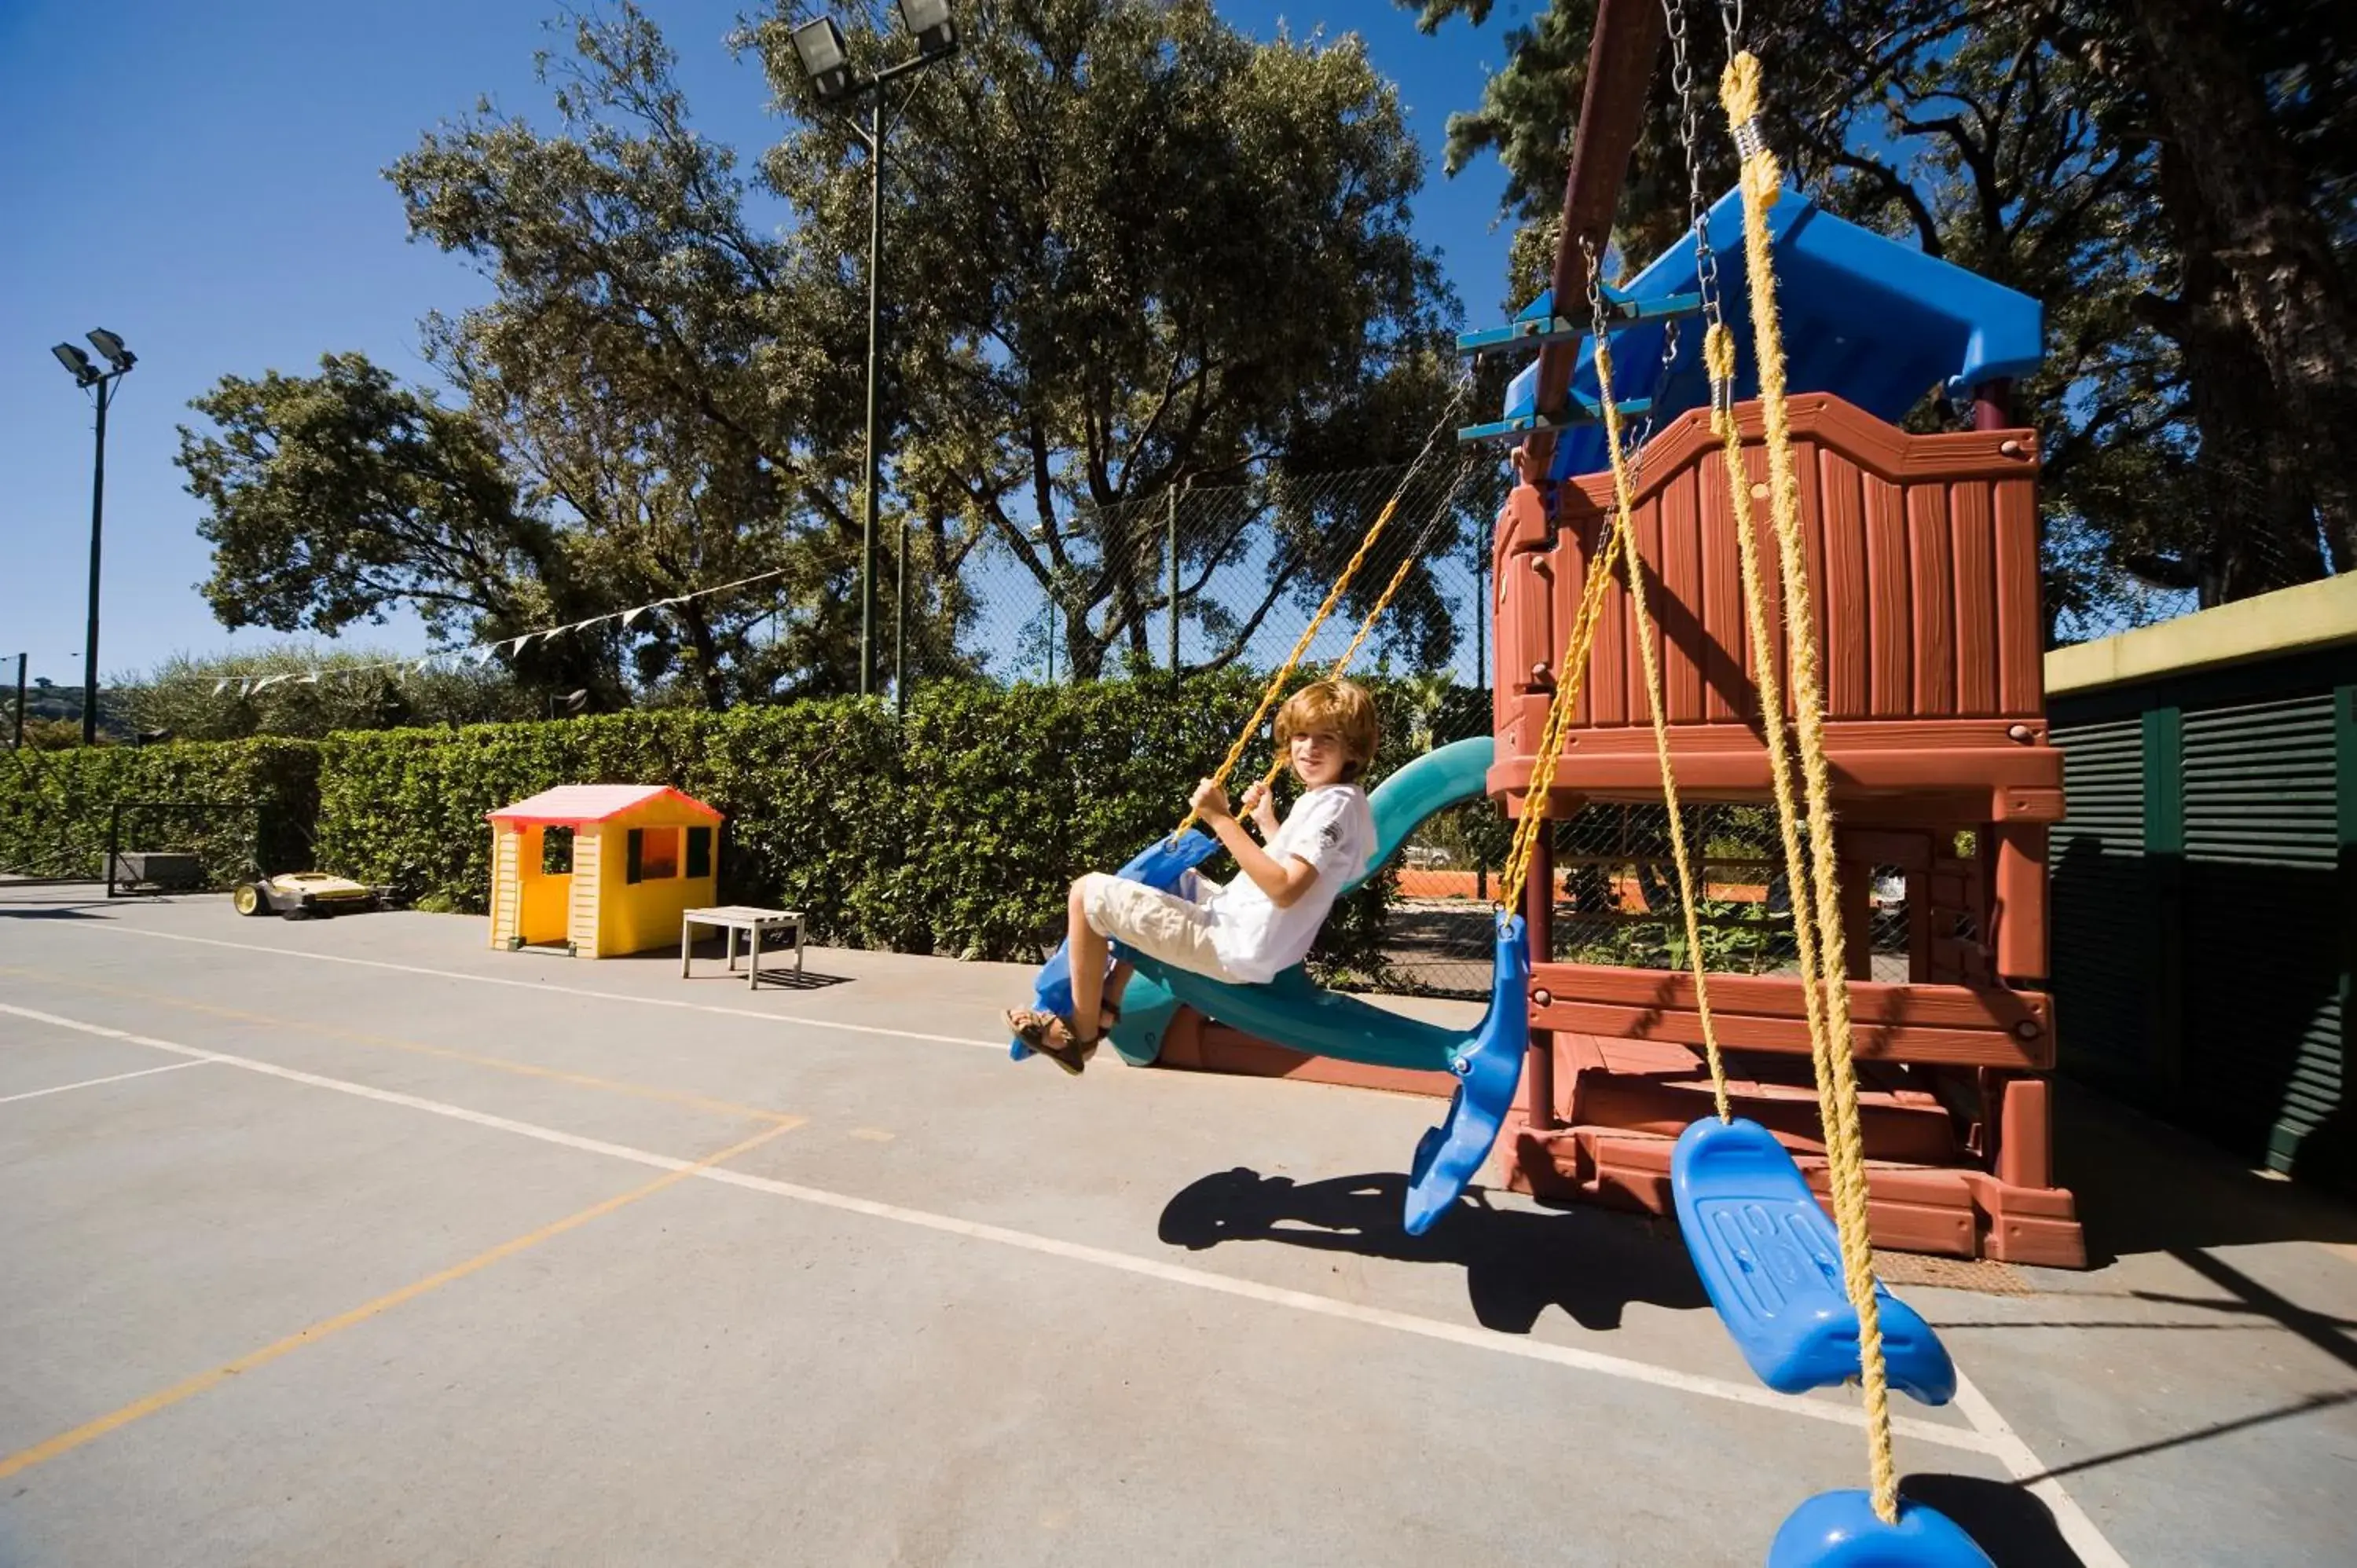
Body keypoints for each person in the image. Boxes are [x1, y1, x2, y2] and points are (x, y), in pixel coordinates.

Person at [1006, 678, 1380, 1075]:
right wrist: (1268, 823)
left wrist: (1219, 818)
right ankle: (1108, 1004)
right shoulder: (1338, 802)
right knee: (1163, 877)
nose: (1308, 748)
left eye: (1326, 738)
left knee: (1086, 894)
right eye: (1302, 735)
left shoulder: (1333, 807)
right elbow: (1312, 876)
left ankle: (1082, 1037)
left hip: (1234, 941)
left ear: (1353, 749)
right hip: (1242, 927)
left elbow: (1286, 889)